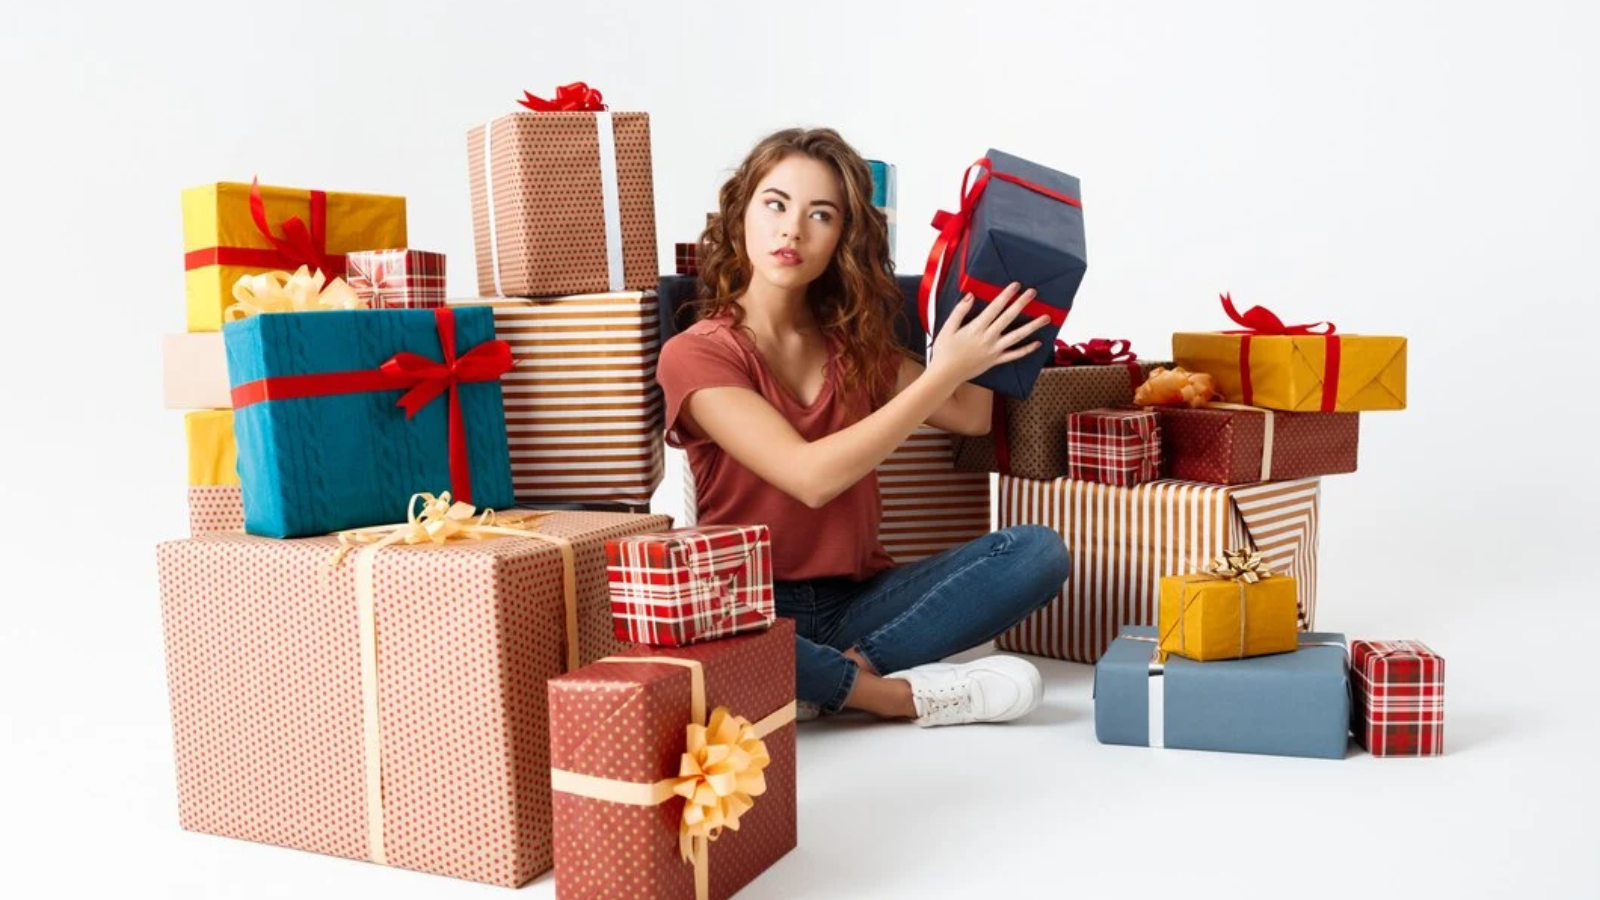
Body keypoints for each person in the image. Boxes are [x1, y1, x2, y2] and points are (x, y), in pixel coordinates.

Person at [656, 128, 1072, 727]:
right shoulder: (696, 353)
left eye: (819, 215)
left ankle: (828, 679)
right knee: (695, 631)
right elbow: (809, 478)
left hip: (862, 601)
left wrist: (980, 295)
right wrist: (940, 372)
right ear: (741, 213)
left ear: (841, 239)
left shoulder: (855, 349)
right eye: (775, 204)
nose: (792, 230)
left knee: (1037, 552)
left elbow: (970, 414)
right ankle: (894, 697)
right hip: (750, 605)